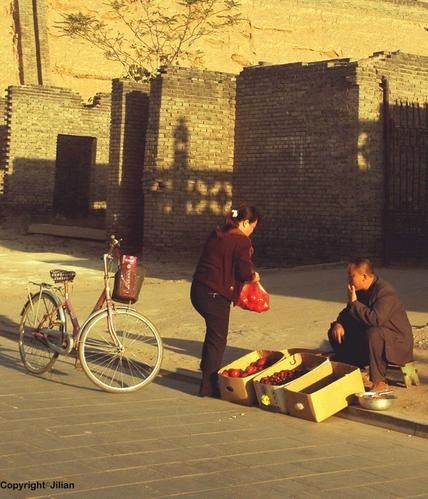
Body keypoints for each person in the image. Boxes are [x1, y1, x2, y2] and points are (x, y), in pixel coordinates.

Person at [191, 205, 261, 398]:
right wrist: (253, 276)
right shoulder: (241, 241)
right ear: (245, 222)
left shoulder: (217, 233)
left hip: (198, 290)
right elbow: (243, 272)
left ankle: (206, 376)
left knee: (212, 336)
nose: (251, 231)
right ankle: (208, 387)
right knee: (217, 340)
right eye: (252, 227)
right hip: (215, 295)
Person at [328, 257, 414, 392]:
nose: (349, 280)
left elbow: (376, 320)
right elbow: (348, 313)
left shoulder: (385, 292)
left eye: (352, 276)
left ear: (364, 276)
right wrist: (339, 324)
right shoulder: (360, 291)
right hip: (376, 336)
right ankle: (353, 368)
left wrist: (354, 303)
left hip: (397, 341)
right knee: (336, 331)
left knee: (373, 333)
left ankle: (379, 381)